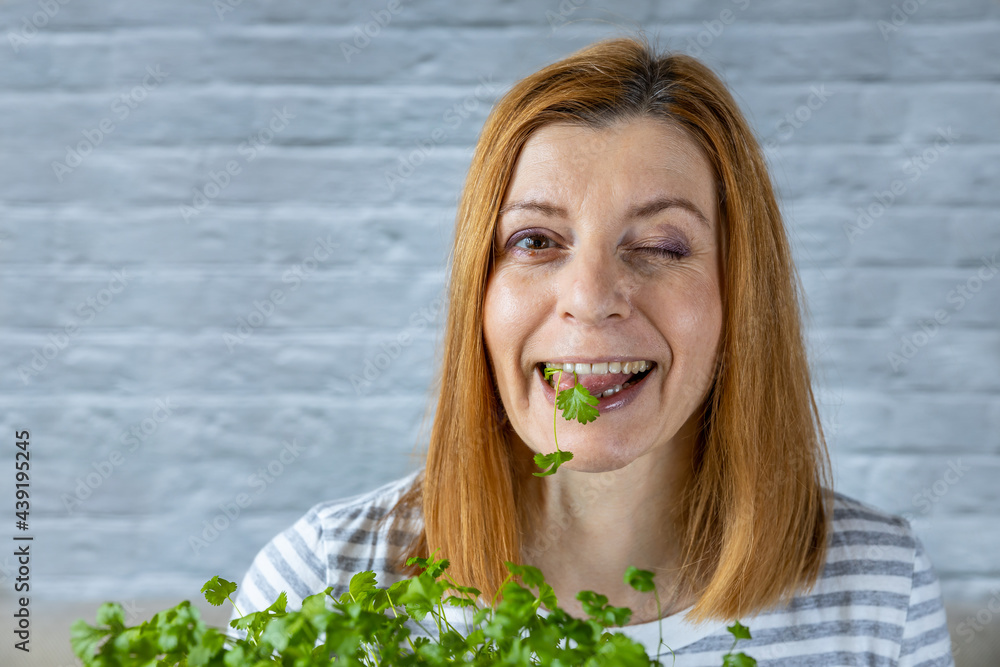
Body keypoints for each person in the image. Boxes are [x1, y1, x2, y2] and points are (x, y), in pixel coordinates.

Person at [231, 36, 955, 665]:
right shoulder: (319, 580)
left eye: (661, 247)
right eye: (536, 241)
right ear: (477, 294)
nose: (591, 295)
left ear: (740, 295)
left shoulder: (879, 594)